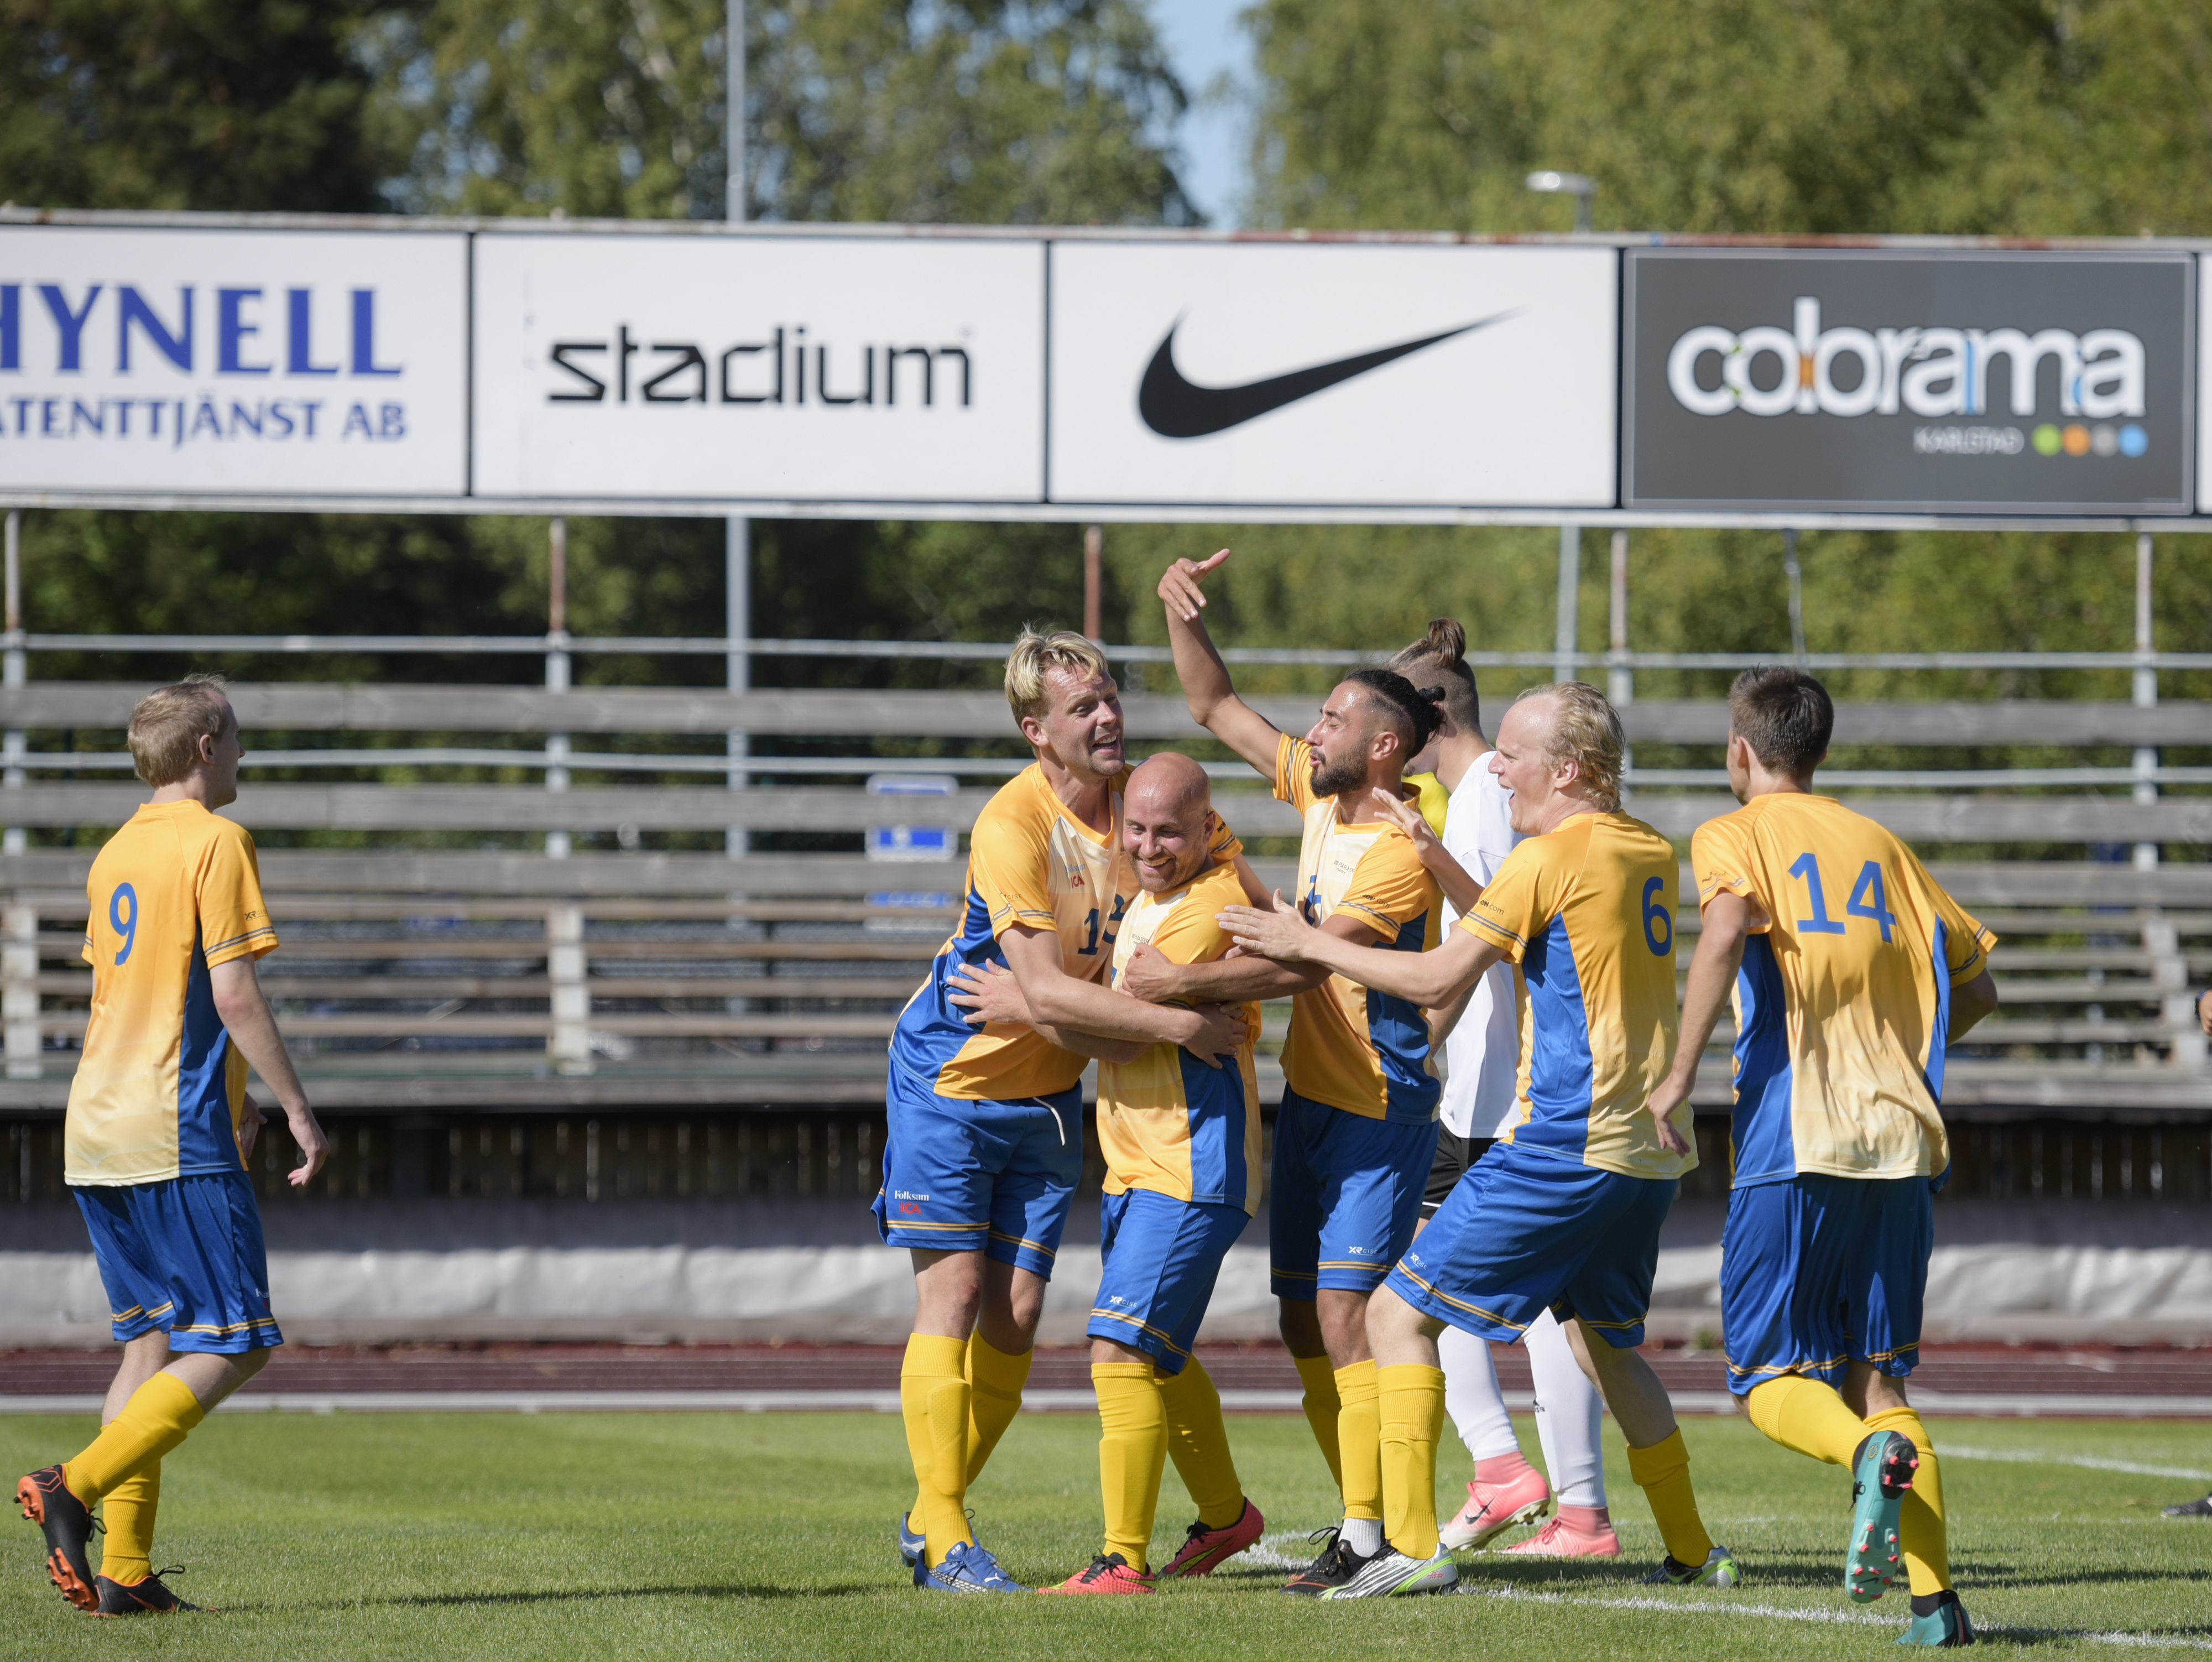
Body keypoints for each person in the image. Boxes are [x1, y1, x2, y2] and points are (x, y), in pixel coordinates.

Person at [1219, 681, 1736, 1600]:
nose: (1494, 769)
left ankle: (1411, 1548)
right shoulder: (1644, 846)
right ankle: (1696, 1547)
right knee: (1607, 1348)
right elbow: (1531, 932)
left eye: (1511, 753)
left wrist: (1305, 943)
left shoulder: (1549, 854)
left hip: (1566, 1141)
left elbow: (1434, 977)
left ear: (1568, 769)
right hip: (1649, 1151)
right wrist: (1438, 859)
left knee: (1393, 1315)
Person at [875, 628, 1246, 1594]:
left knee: (1018, 1316)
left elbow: (1245, 902)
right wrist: (1177, 1024)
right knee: (953, 1298)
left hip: (1049, 1088)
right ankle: (949, 1538)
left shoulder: (1156, 807)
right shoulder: (1013, 822)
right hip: (954, 1077)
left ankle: (926, 1514)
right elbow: (1041, 991)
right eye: (1084, 707)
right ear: (1038, 730)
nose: (1109, 715)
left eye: (1112, 694)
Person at [1644, 666, 1999, 1647]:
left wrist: (1676, 1077)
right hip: (1905, 1140)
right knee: (1881, 1379)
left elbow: (1724, 927)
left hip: (1796, 1137)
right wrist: (1898, 1038)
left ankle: (1866, 1453)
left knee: (1767, 1380)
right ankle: (1937, 1607)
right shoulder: (1885, 845)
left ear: (1742, 752)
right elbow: (1975, 990)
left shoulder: (1736, 831)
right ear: (1822, 752)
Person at [1138, 550, 1450, 1595]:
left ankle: (1381, 1535)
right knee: (1299, 1319)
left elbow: (1305, 955)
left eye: (1329, 719)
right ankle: (1363, 1520)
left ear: (1383, 746)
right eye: (1314, 719)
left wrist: (1171, 986)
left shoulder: (1402, 846)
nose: (1310, 731)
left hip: (1380, 1101)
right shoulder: (1323, 802)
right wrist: (1181, 610)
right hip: (1313, 1096)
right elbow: (1212, 699)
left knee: (1344, 1316)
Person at [15, 674, 329, 1616]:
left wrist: (236, 1106)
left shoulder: (115, 852)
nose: (242, 754)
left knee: (149, 1345)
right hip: (169, 1129)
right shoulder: (219, 840)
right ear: (205, 747)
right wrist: (301, 1113)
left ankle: (125, 1571)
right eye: (235, 738)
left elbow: (147, 992)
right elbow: (231, 997)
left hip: (97, 1125)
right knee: (239, 1341)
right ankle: (76, 1482)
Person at [954, 754, 1267, 1593]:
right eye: (1137, 828)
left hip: (1190, 1164)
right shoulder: (1154, 896)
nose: (1150, 844)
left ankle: (1122, 1559)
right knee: (1160, 1353)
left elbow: (1124, 1033)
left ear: (1207, 828)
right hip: (1143, 1163)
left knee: (1118, 1348)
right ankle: (1228, 1516)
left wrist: (1031, 1000)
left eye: (1170, 830)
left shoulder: (1204, 911)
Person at [1388, 621, 1618, 1560]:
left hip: (1501, 1096)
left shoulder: (1488, 791)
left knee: (1431, 1290)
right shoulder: (1476, 791)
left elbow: (1491, 943)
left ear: (1430, 710)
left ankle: (1523, 1481)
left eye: (1393, 705)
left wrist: (1417, 1040)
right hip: (1483, 1092)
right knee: (1540, 1307)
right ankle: (1571, 1505)